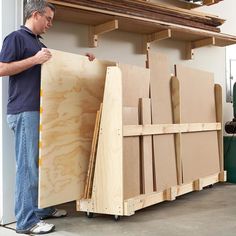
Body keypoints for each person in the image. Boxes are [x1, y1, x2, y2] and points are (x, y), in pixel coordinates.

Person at [0, 0, 94, 234]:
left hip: (43, 112)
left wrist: (82, 61)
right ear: (34, 14)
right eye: (48, 18)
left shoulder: (36, 43)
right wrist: (35, 59)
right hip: (25, 111)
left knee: (44, 163)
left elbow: (54, 71)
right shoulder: (16, 38)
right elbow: (1, 68)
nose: (51, 24)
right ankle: (26, 222)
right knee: (28, 167)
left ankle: (42, 210)